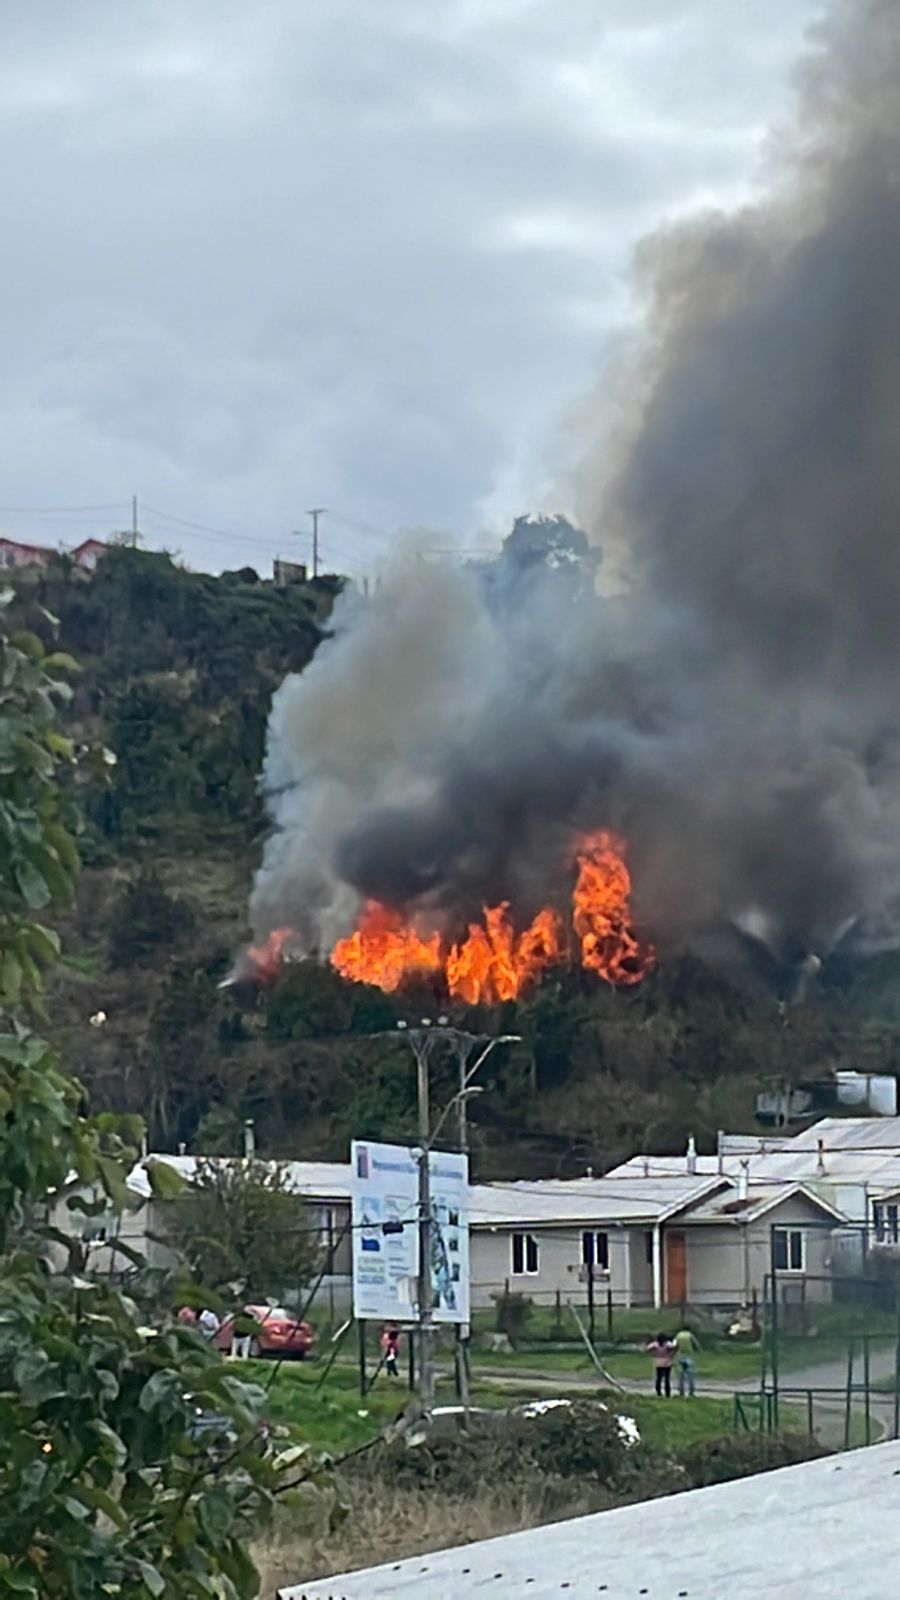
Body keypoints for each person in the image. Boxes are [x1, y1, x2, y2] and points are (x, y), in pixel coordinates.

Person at [646, 1331, 675, 1397]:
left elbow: (648, 1348)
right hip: (667, 1363)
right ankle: (667, 1393)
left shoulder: (655, 1344)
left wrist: (653, 1353)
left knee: (658, 1378)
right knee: (667, 1379)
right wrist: (671, 1354)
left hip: (658, 1363)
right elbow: (674, 1347)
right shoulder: (667, 1344)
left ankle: (658, 1392)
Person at [674, 1324, 699, 1397]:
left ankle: (681, 1392)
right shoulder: (690, 1335)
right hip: (689, 1356)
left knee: (681, 1374)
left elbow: (675, 1344)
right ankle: (691, 1391)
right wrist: (698, 1350)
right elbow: (696, 1344)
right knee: (690, 1374)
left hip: (681, 1355)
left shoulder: (678, 1335)